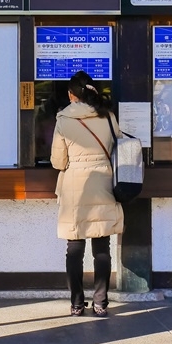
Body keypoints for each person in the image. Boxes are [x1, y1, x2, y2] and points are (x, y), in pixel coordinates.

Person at [50, 71, 124, 317]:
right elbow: (118, 148)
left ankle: (76, 303)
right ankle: (101, 303)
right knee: (101, 245)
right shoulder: (108, 116)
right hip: (104, 184)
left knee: (74, 247)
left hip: (75, 189)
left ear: (72, 95)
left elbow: (58, 162)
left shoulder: (63, 119)